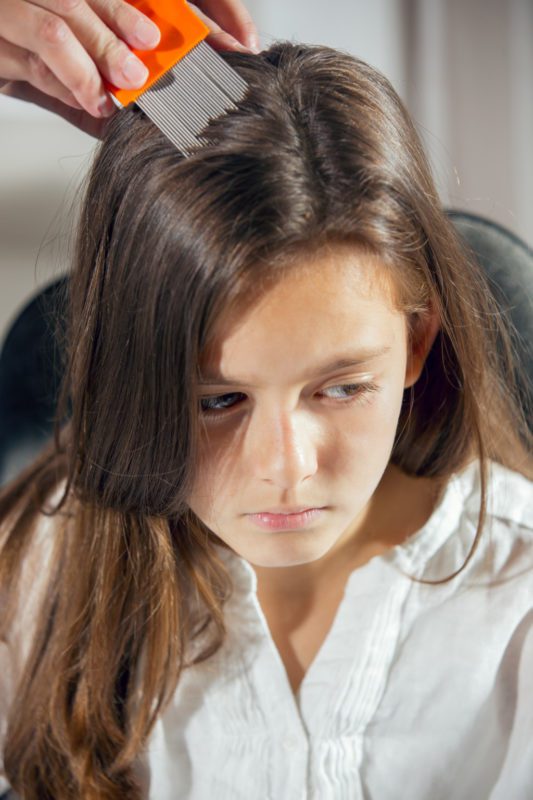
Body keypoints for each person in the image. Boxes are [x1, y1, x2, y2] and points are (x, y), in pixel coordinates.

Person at [0, 23, 532, 800]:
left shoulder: (515, 608)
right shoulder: (39, 575)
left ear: (417, 342)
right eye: (218, 401)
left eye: (341, 388)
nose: (286, 466)